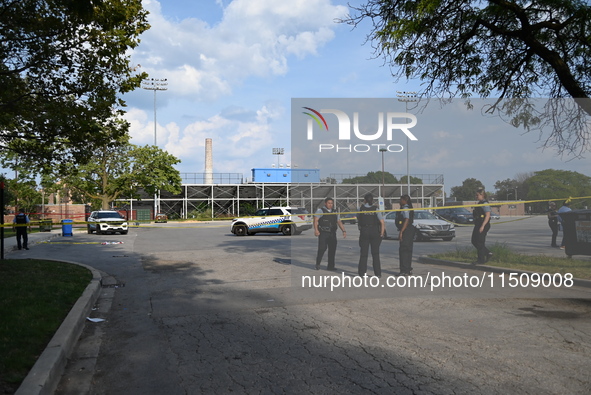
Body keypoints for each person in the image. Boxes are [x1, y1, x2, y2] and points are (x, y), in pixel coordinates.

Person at [314, 197, 346, 271]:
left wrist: (344, 231)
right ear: (325, 203)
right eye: (329, 203)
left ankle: (330, 266)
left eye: (331, 203)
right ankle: (318, 264)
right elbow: (315, 220)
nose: (330, 205)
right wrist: (316, 230)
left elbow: (339, 221)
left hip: (332, 233)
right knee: (322, 249)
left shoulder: (335, 211)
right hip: (323, 233)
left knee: (332, 250)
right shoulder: (320, 210)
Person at [357, 193, 385, 278]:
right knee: (375, 253)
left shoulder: (360, 209)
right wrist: (381, 233)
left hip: (364, 231)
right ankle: (378, 273)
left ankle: (362, 273)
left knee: (363, 253)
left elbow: (359, 219)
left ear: (364, 200)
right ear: (372, 200)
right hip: (374, 231)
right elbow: (382, 222)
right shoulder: (376, 209)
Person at [471, 188, 492, 264]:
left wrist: (482, 226)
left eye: (477, 195)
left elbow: (487, 215)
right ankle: (488, 253)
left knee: (480, 242)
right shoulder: (479, 203)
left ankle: (481, 260)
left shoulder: (485, 204)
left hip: (483, 224)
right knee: (474, 241)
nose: (476, 196)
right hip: (478, 224)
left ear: (482, 195)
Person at [396, 194, 415, 275]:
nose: (400, 201)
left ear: (405, 200)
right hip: (409, 230)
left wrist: (401, 232)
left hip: (406, 231)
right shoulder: (409, 208)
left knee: (404, 250)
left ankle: (404, 270)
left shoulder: (405, 209)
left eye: (401, 200)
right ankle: (408, 269)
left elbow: (406, 219)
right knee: (408, 250)